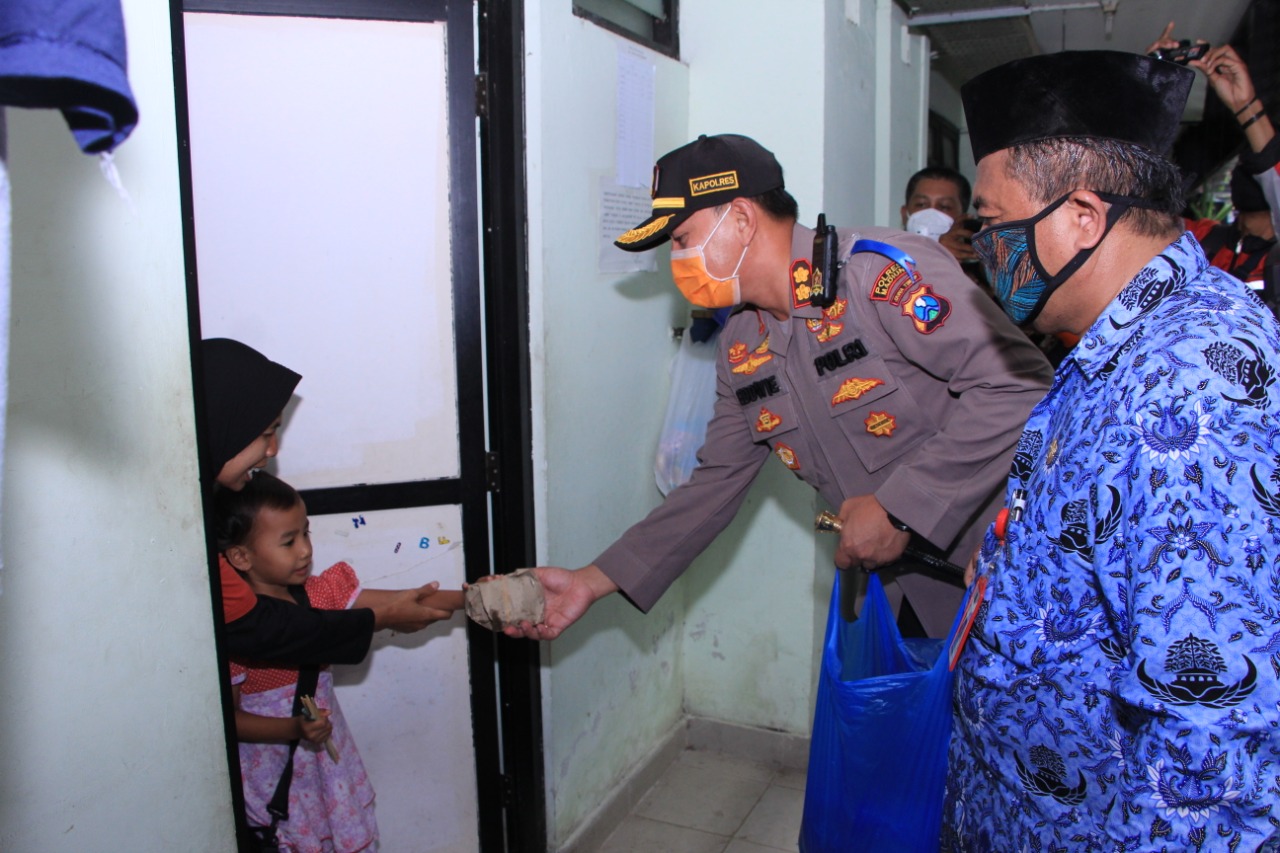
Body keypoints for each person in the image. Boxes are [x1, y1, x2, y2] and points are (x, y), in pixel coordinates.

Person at [504, 133, 1052, 641]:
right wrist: (592, 580)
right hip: (896, 597)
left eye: (682, 239)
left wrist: (899, 509)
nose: (677, 260)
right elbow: (715, 481)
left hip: (1009, 575)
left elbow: (1018, 385)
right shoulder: (741, 345)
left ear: (741, 218)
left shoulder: (876, 276)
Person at [946, 50, 1280, 849]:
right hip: (1020, 809)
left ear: (1082, 217)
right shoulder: (1116, 341)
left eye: (991, 223)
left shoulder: (1192, 381)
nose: (984, 247)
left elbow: (1209, 739)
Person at [202, 338, 451, 664]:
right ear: (223, 424)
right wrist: (382, 618)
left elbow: (264, 620)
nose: (273, 450)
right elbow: (260, 628)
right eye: (266, 433)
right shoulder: (180, 532)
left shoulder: (194, 513)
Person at [215, 471, 423, 851]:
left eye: (306, 533)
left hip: (329, 771)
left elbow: (401, 604)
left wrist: (475, 599)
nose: (305, 550)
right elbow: (229, 720)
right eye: (288, 541)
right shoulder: (236, 632)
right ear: (241, 556)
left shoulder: (320, 596)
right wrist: (294, 727)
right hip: (276, 779)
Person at [900, 166, 979, 267]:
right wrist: (938, 255)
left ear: (964, 217)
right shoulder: (885, 258)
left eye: (944, 207)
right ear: (904, 215)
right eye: (921, 204)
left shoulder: (980, 266)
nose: (931, 214)